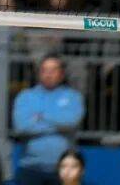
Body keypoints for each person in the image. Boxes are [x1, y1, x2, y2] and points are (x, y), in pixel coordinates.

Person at [12, 55, 85, 185]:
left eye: (53, 70)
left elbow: (72, 122)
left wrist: (42, 117)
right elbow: (22, 127)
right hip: (31, 168)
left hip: (65, 169)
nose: (48, 74)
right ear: (39, 73)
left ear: (62, 74)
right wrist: (59, 125)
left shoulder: (73, 97)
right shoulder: (25, 97)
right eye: (44, 70)